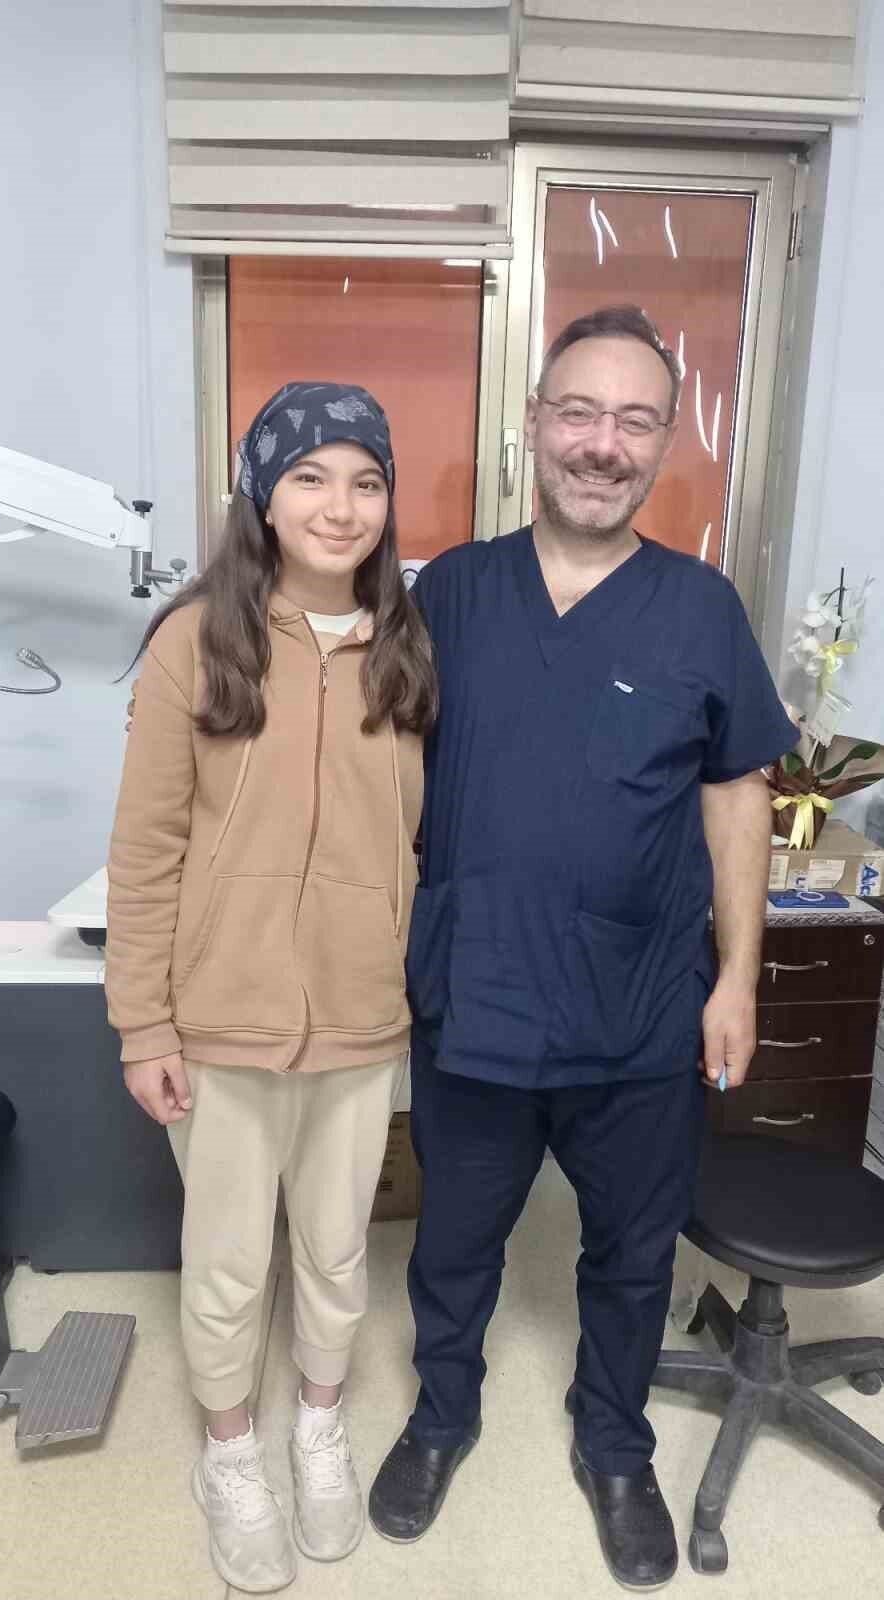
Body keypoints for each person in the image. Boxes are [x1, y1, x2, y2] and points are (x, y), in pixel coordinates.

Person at [368, 306, 798, 1589]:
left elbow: (737, 798)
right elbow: (370, 774)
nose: (602, 443)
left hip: (642, 1008)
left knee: (631, 1253)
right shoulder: (451, 592)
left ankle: (615, 1443)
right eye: (579, 412)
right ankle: (441, 1415)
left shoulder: (700, 608)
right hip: (479, 998)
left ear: (664, 443)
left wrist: (738, 977)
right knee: (455, 1242)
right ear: (535, 425)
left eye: (634, 420)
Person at [105, 382, 436, 1594]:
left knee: (340, 1253)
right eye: (310, 476)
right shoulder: (196, 640)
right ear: (262, 492)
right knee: (231, 1259)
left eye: (366, 480)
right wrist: (143, 1021)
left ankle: (319, 1426)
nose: (340, 506)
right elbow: (146, 848)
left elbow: (422, 839)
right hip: (221, 1022)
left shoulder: (408, 645)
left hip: (360, 1018)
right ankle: (232, 1452)